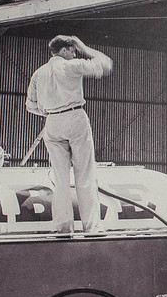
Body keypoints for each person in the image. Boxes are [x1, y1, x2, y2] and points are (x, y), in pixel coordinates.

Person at [25, 35, 113, 233]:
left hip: (52, 121)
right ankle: (91, 226)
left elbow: (30, 106)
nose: (74, 54)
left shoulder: (39, 73)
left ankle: (63, 226)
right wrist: (83, 46)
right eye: (72, 50)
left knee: (60, 178)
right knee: (85, 174)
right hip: (74, 117)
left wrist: (49, 111)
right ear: (64, 50)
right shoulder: (70, 66)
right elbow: (105, 64)